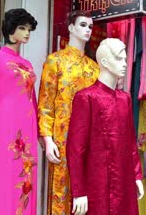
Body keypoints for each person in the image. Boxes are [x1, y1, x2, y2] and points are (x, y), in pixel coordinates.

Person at [67, 38, 143, 215]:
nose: (124, 64)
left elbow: (131, 143)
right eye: (119, 59)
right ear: (104, 62)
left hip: (124, 179)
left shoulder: (125, 99)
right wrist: (79, 192)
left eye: (125, 59)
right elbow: (76, 149)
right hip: (98, 182)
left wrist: (137, 176)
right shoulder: (86, 98)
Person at [0, 8, 39, 215]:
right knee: (5, 175)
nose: (27, 33)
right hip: (5, 125)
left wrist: (39, 131)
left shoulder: (28, 64)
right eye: (22, 28)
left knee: (25, 176)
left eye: (29, 29)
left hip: (27, 128)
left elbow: (32, 99)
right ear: (11, 30)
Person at [38, 11, 99, 214]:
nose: (87, 30)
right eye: (83, 25)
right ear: (71, 28)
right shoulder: (54, 61)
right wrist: (47, 140)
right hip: (61, 138)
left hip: (88, 139)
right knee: (60, 190)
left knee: (86, 191)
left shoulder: (94, 68)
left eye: (90, 27)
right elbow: (46, 103)